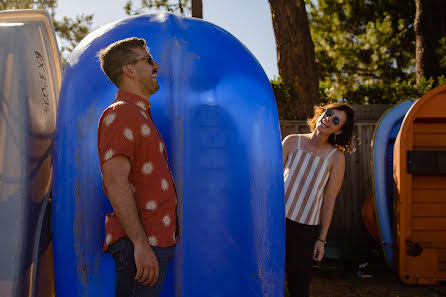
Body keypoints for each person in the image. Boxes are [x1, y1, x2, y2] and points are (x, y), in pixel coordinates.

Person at [97, 37, 178, 297]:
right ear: (129, 70)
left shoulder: (138, 113)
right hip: (142, 247)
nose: (156, 65)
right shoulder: (121, 113)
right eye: (147, 60)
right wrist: (141, 245)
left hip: (152, 243)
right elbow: (115, 182)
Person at [282, 103, 356, 297]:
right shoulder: (291, 141)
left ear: (339, 130)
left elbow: (329, 200)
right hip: (275, 222)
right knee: (262, 273)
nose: (328, 119)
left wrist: (321, 239)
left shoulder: (336, 157)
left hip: (305, 229)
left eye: (336, 120)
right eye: (329, 113)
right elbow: (270, 182)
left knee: (299, 285)